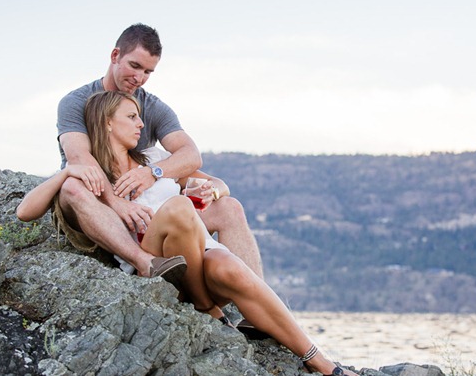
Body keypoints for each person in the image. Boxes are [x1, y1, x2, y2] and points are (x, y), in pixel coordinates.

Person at [18, 91, 358, 376]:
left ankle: (323, 363)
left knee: (229, 267)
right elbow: (25, 212)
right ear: (108, 122)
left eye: (140, 117)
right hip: (158, 261)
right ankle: (206, 306)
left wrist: (213, 193)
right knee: (180, 210)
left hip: (202, 255)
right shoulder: (95, 175)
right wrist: (66, 173)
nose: (141, 124)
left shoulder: (154, 157)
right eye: (132, 117)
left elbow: (219, 184)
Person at [55, 23, 263, 282]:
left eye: (148, 72)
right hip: (95, 205)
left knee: (230, 208)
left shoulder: (152, 106)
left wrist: (153, 173)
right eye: (134, 66)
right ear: (115, 56)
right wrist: (116, 203)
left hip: (146, 210)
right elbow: (79, 159)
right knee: (73, 187)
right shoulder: (76, 102)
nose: (139, 78)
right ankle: (144, 263)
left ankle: (254, 303)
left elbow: (190, 154)